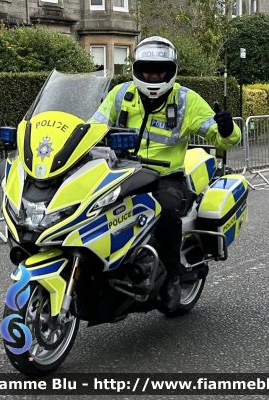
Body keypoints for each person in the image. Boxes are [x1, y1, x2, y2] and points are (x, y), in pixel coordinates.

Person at [88, 36, 241, 312]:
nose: (153, 75)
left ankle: (173, 277)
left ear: (170, 71)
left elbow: (223, 139)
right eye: (147, 69)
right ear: (137, 68)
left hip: (167, 179)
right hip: (120, 174)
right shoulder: (121, 95)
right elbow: (91, 127)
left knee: (165, 214)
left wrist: (227, 128)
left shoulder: (186, 100)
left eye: (159, 70)